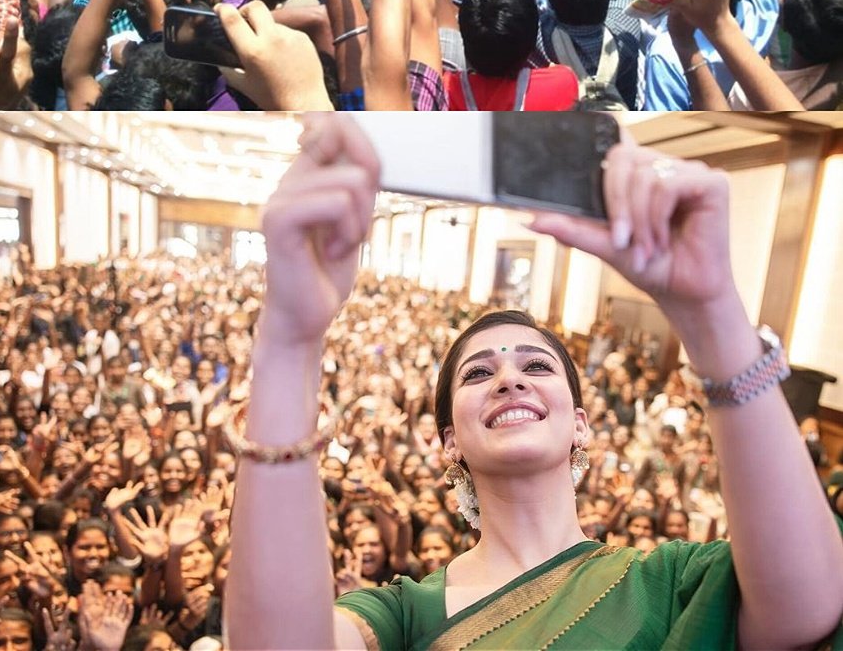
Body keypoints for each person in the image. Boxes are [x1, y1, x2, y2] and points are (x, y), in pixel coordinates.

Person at [226, 115, 843, 649]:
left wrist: (711, 312)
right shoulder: (406, 613)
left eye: (537, 365)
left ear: (579, 421)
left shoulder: (668, 581)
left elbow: (810, 606)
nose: (509, 379)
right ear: (448, 442)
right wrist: (288, 340)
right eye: (478, 373)